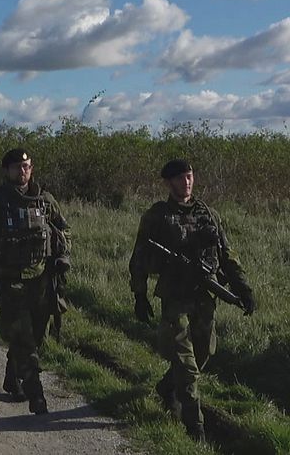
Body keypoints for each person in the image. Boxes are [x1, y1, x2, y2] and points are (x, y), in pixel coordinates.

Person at [129, 159, 255, 442]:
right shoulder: (158, 216)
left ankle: (166, 387)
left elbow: (227, 255)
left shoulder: (209, 214)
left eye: (190, 176)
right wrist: (139, 294)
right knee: (187, 368)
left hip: (204, 296)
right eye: (181, 178)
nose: (187, 182)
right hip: (175, 296)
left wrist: (244, 289)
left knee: (204, 353)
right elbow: (139, 257)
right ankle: (194, 428)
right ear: (168, 183)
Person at [0, 148, 71, 415]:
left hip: (40, 279)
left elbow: (63, 229)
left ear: (31, 168)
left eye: (26, 166)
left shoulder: (45, 200)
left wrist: (62, 255)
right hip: (9, 280)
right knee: (23, 336)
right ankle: (36, 393)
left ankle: (13, 375)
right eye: (16, 167)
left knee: (36, 335)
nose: (22, 171)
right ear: (7, 171)